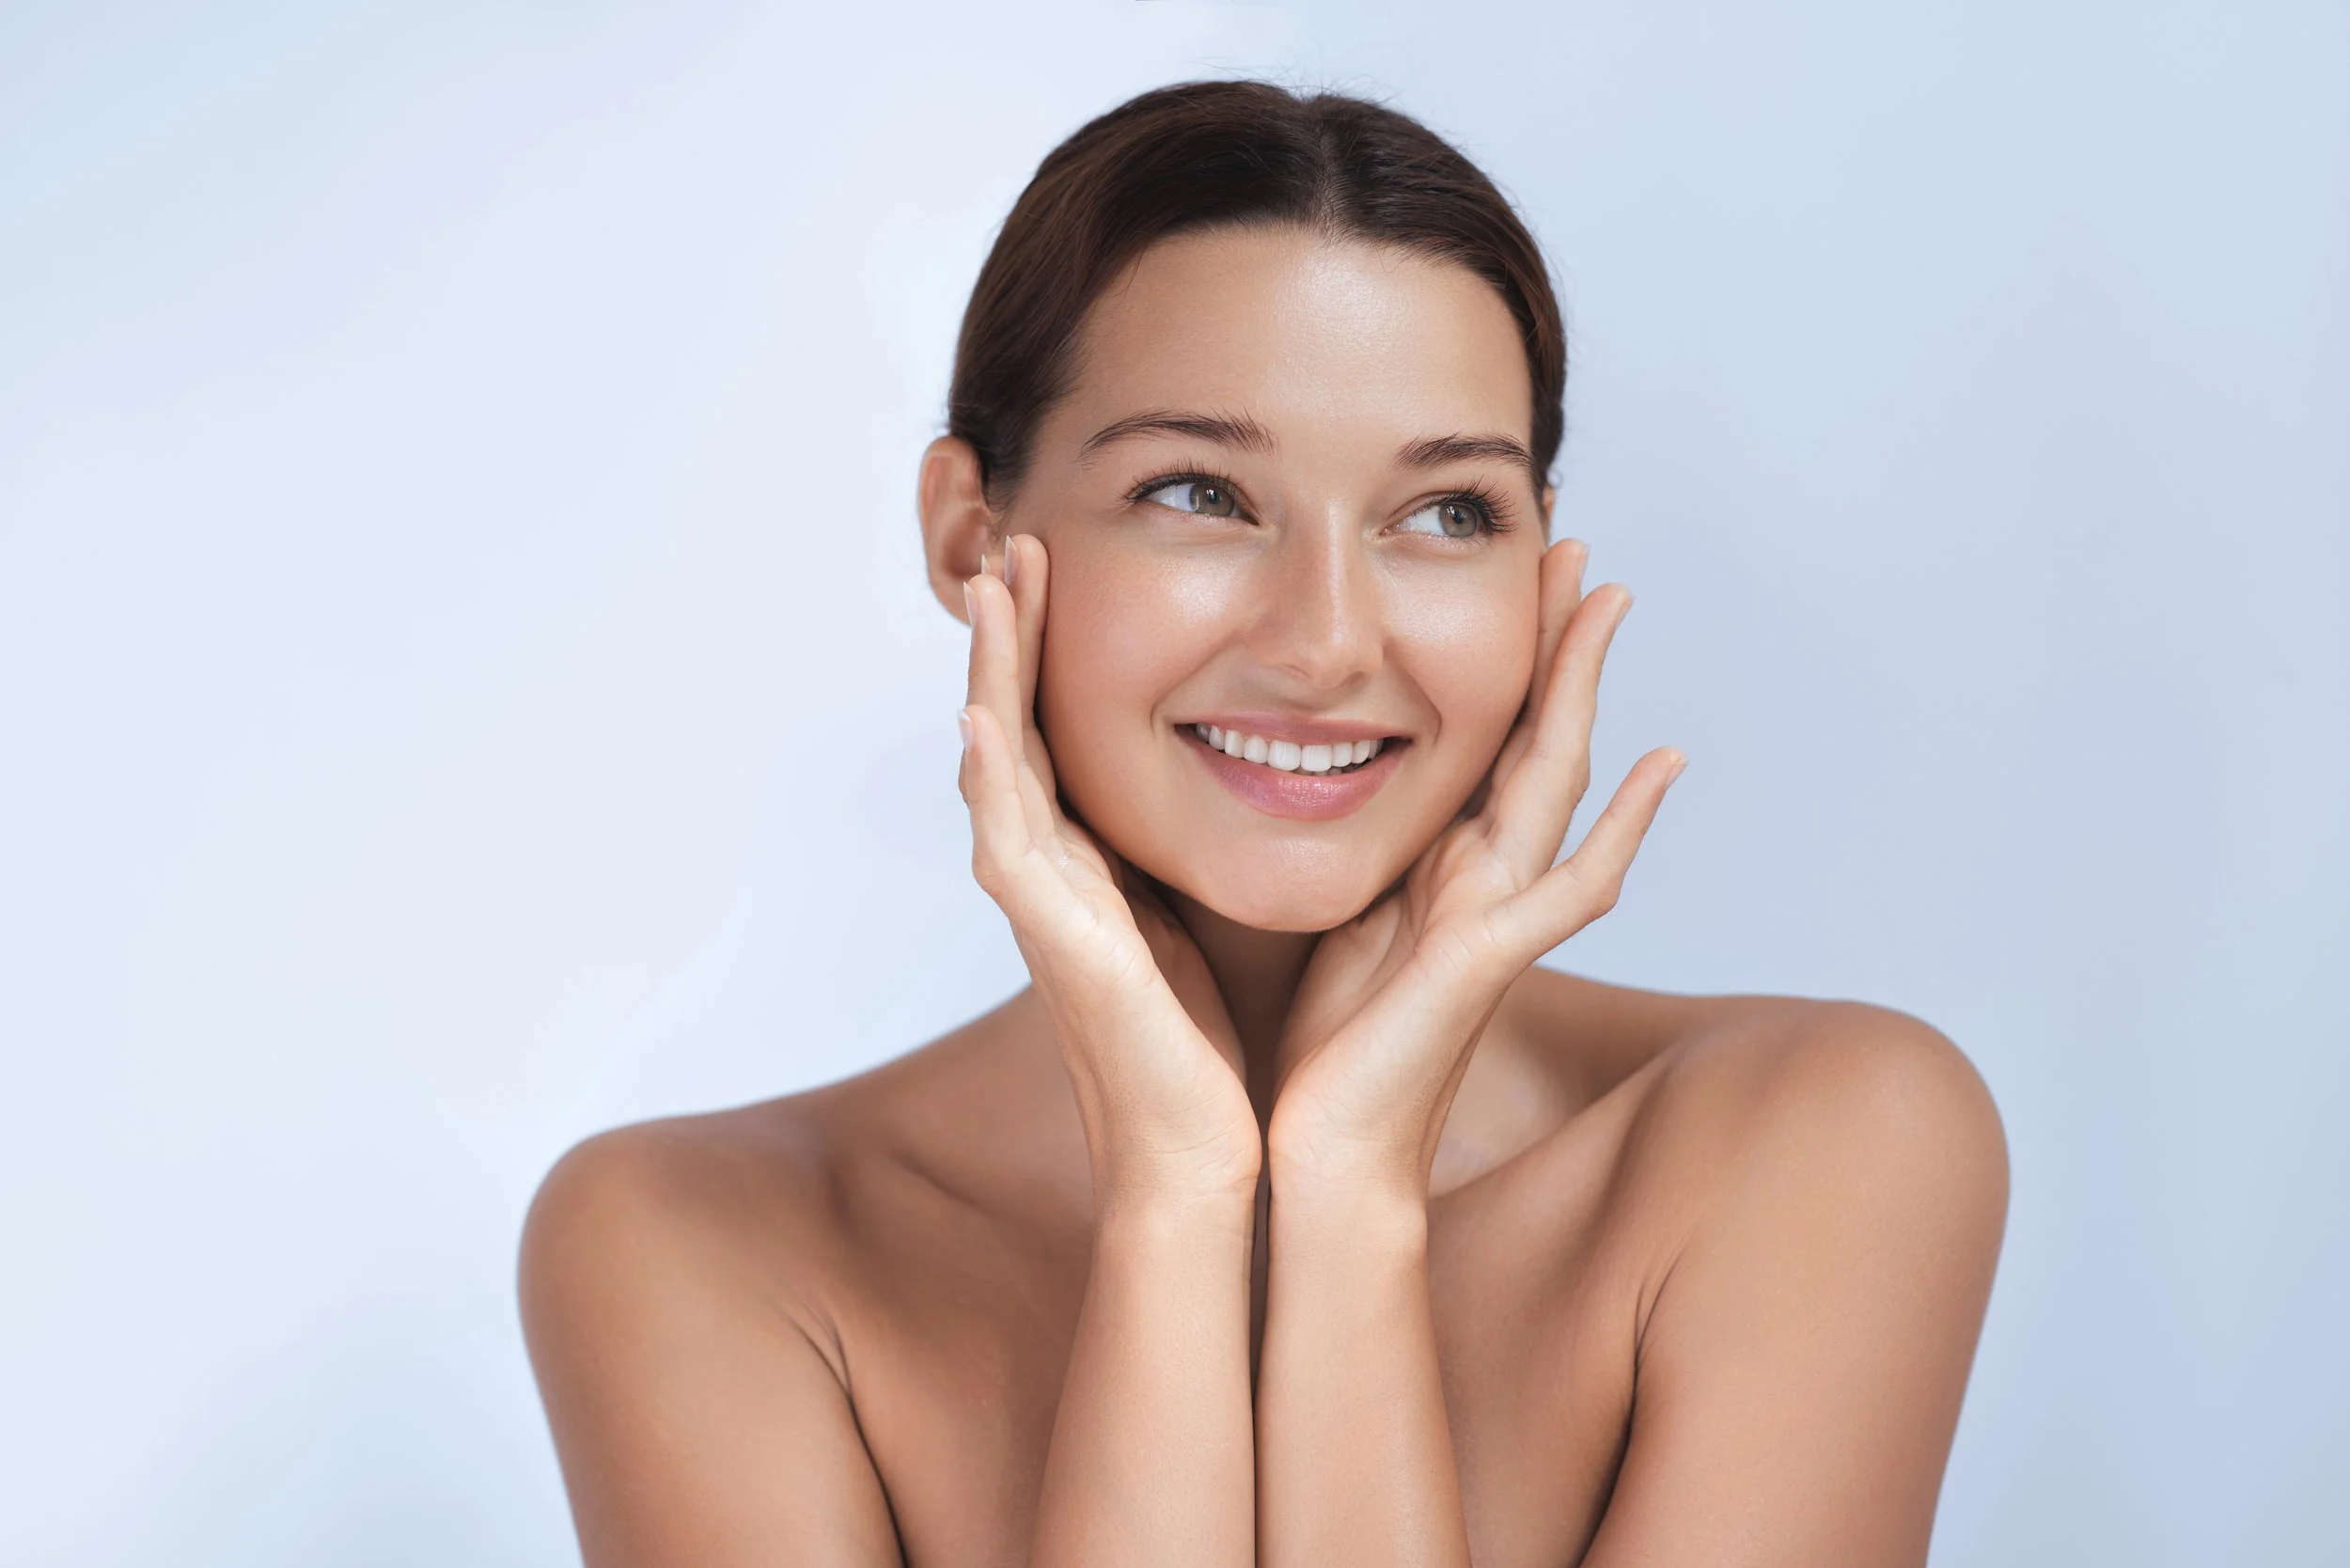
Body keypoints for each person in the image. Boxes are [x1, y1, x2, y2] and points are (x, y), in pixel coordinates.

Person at [518, 79, 2008, 1568]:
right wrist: (1173, 1205)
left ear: (1542, 565)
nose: (1327, 644)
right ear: (975, 542)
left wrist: (1352, 1206)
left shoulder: (1825, 1142)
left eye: (1447, 514)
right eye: (1196, 491)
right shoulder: (692, 1248)